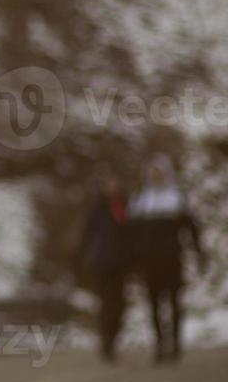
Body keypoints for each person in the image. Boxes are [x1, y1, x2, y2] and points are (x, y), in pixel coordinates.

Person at [129, 154, 203, 364]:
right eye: (153, 172)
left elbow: (191, 229)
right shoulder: (141, 200)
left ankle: (176, 343)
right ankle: (160, 344)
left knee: (174, 302)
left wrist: (197, 253)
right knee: (153, 304)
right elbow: (132, 235)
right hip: (149, 261)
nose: (156, 176)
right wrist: (133, 260)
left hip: (172, 259)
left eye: (159, 172)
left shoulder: (176, 198)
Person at [75, 167, 135, 361]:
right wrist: (80, 258)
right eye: (109, 184)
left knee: (119, 305)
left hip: (122, 264)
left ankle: (113, 338)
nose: (112, 187)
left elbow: (134, 236)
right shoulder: (97, 209)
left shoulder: (125, 207)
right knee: (105, 304)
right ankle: (106, 342)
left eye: (115, 183)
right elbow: (86, 235)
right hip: (102, 263)